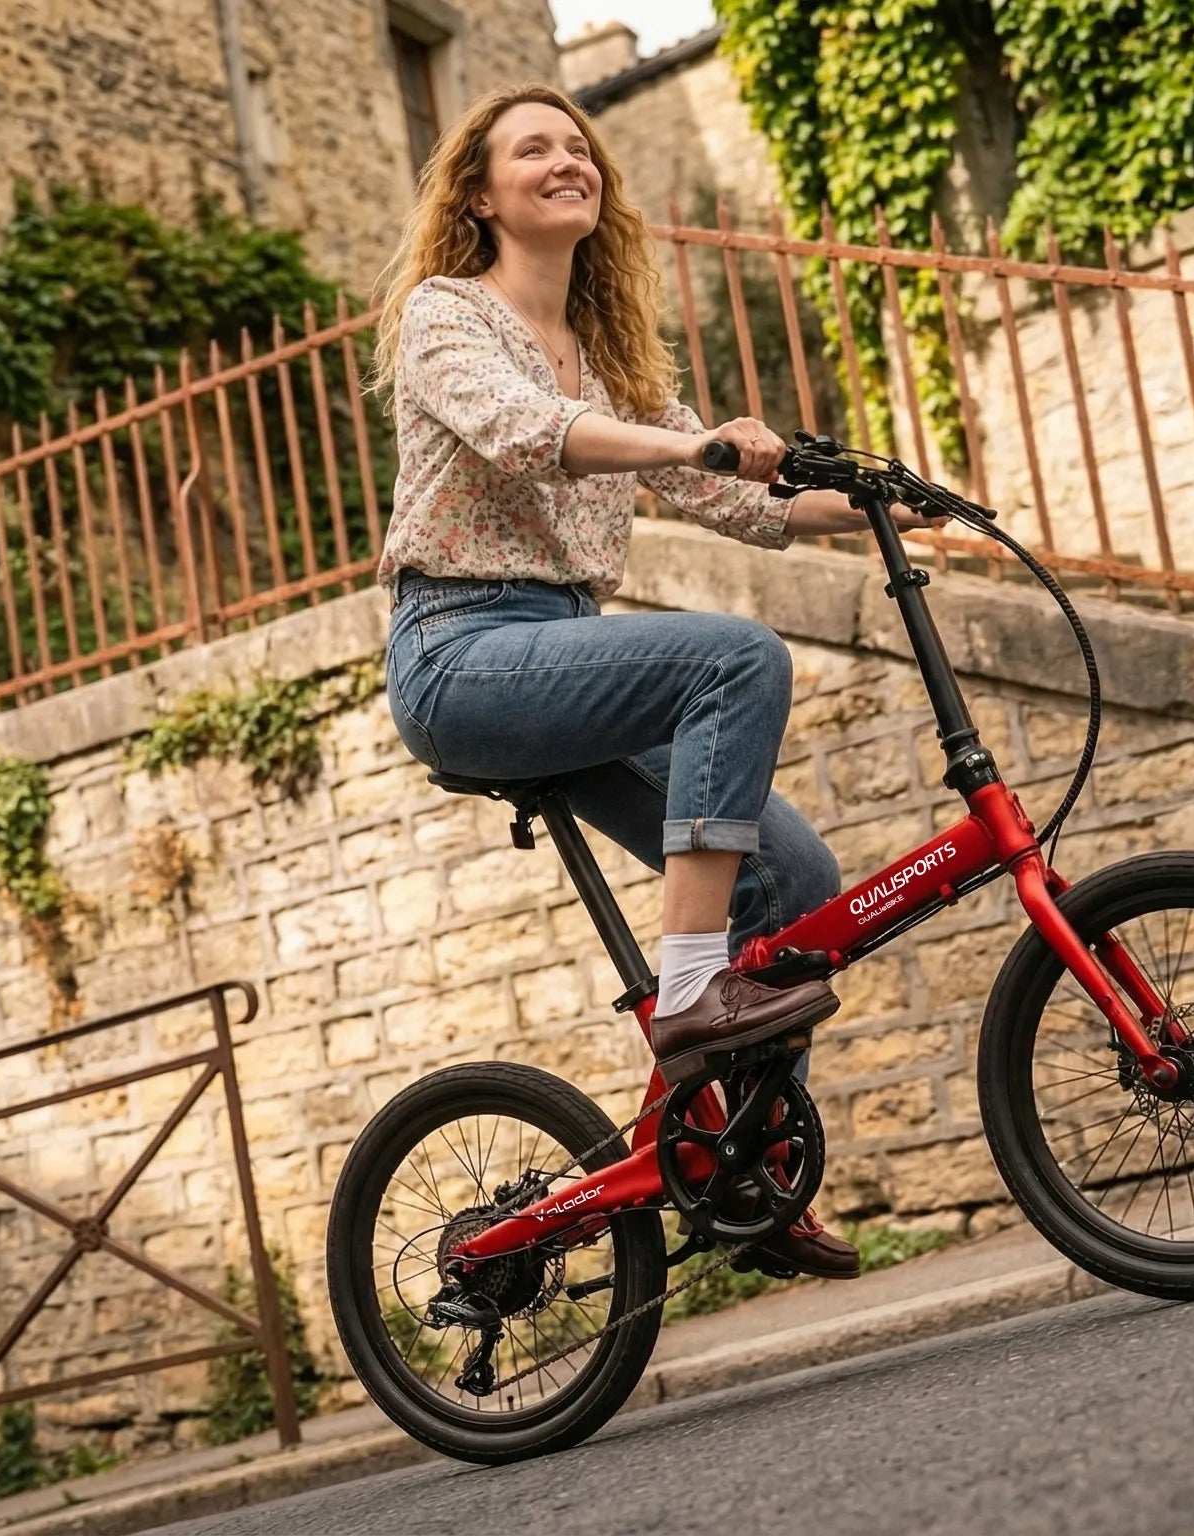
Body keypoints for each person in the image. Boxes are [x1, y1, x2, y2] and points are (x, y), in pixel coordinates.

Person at [371, 85, 943, 1281]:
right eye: (535, 148)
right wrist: (691, 441)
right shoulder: (447, 318)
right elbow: (529, 430)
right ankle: (690, 992)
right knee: (730, 658)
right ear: (481, 194)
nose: (567, 159)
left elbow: (738, 496)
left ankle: (733, 1158)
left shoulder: (615, 357)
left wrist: (889, 501)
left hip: (561, 652)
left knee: (793, 879)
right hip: (462, 653)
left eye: (580, 146)